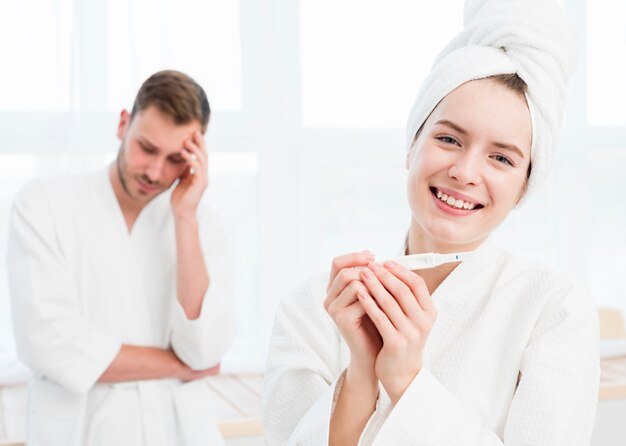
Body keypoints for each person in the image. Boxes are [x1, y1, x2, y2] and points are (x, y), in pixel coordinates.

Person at [262, 0, 600, 444]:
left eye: (501, 157)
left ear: (524, 187)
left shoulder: (554, 310)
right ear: (411, 145)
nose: (464, 171)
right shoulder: (312, 310)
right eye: (448, 138)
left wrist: (406, 380)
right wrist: (361, 373)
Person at [7, 70, 235, 446]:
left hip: (178, 432)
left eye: (176, 158)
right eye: (146, 147)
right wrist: (178, 366)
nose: (155, 171)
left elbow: (205, 348)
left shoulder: (201, 224)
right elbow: (45, 341)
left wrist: (184, 218)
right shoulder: (44, 204)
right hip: (78, 431)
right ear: (122, 124)